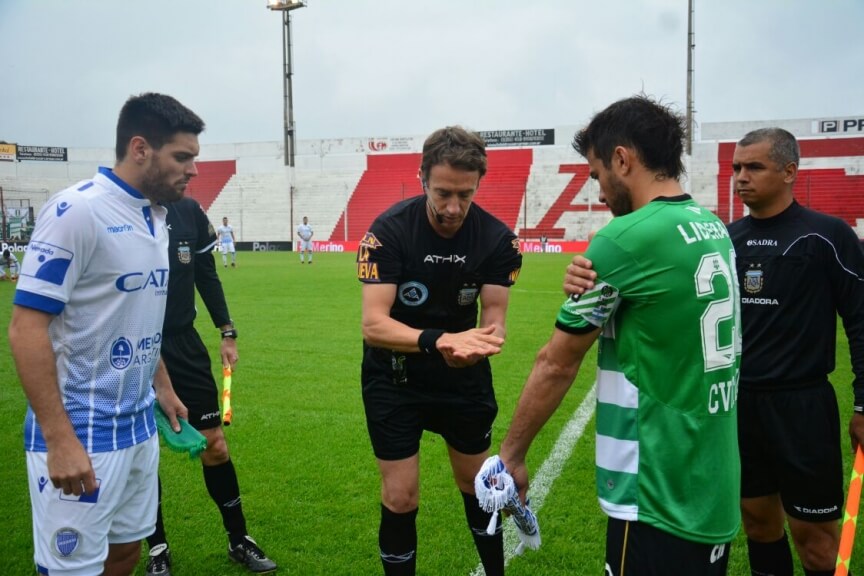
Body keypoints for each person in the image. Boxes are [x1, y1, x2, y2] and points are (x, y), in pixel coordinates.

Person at [564, 127, 864, 576]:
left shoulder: (827, 236)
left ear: (789, 172)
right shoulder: (722, 237)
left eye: (754, 167)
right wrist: (585, 282)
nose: (741, 177)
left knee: (817, 542)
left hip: (801, 405)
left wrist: (862, 402)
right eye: (737, 167)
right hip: (732, 404)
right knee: (759, 524)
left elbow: (860, 320)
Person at [499, 95, 742, 576]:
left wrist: (511, 457)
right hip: (711, 479)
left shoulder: (626, 237)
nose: (599, 191)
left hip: (655, 488)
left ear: (622, 159)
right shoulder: (712, 226)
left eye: (595, 174)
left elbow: (557, 361)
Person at [8, 92, 197, 576]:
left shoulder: (156, 215)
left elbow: (136, 314)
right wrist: (59, 439)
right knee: (73, 570)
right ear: (140, 149)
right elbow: (26, 329)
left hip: (139, 426)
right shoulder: (77, 212)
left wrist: (162, 384)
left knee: (126, 553)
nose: (192, 171)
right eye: (182, 157)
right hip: (82, 430)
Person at [356, 125, 523, 576]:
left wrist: (481, 345)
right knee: (400, 496)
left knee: (479, 489)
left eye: (465, 195)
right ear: (422, 177)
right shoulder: (388, 232)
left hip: (462, 378)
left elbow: (494, 320)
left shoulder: (498, 241)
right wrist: (440, 341)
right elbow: (374, 324)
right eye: (443, 192)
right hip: (395, 379)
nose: (453, 208)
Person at [144, 197, 276, 575]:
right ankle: (157, 549)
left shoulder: (190, 212)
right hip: (134, 345)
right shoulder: (122, 208)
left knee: (215, 445)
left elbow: (206, 273)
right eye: (183, 159)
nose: (191, 171)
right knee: (143, 455)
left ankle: (239, 540)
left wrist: (227, 331)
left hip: (183, 344)